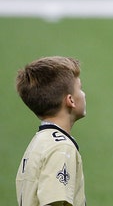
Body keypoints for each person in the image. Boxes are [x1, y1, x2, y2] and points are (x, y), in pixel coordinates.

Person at [15, 56, 87, 206]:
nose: (83, 94)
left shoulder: (39, 142)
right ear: (70, 100)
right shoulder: (61, 148)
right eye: (80, 88)